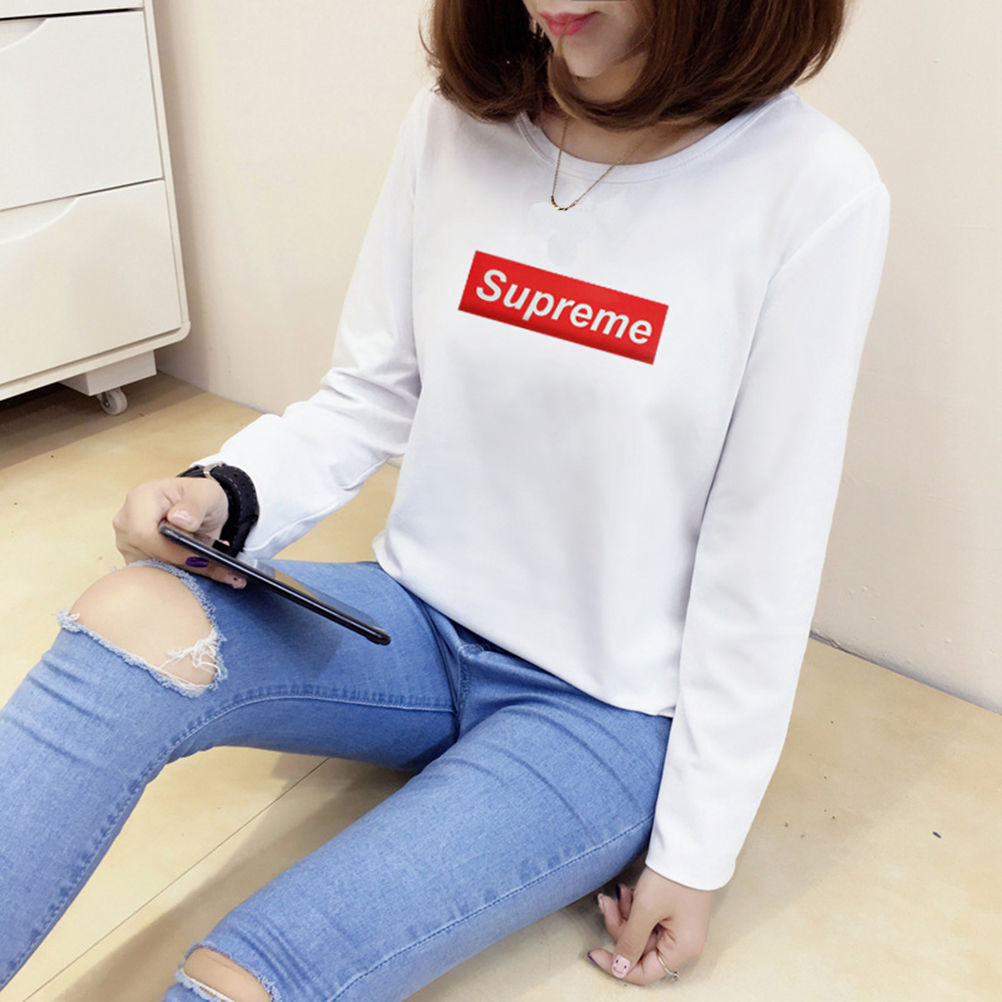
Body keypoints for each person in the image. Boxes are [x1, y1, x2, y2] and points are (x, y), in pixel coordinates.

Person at [0, 0, 889, 998]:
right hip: (413, 625)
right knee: (126, 619)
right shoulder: (457, 122)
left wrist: (697, 853)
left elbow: (764, 546)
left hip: (601, 712)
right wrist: (220, 493)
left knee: (248, 975)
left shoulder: (812, 189)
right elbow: (372, 392)